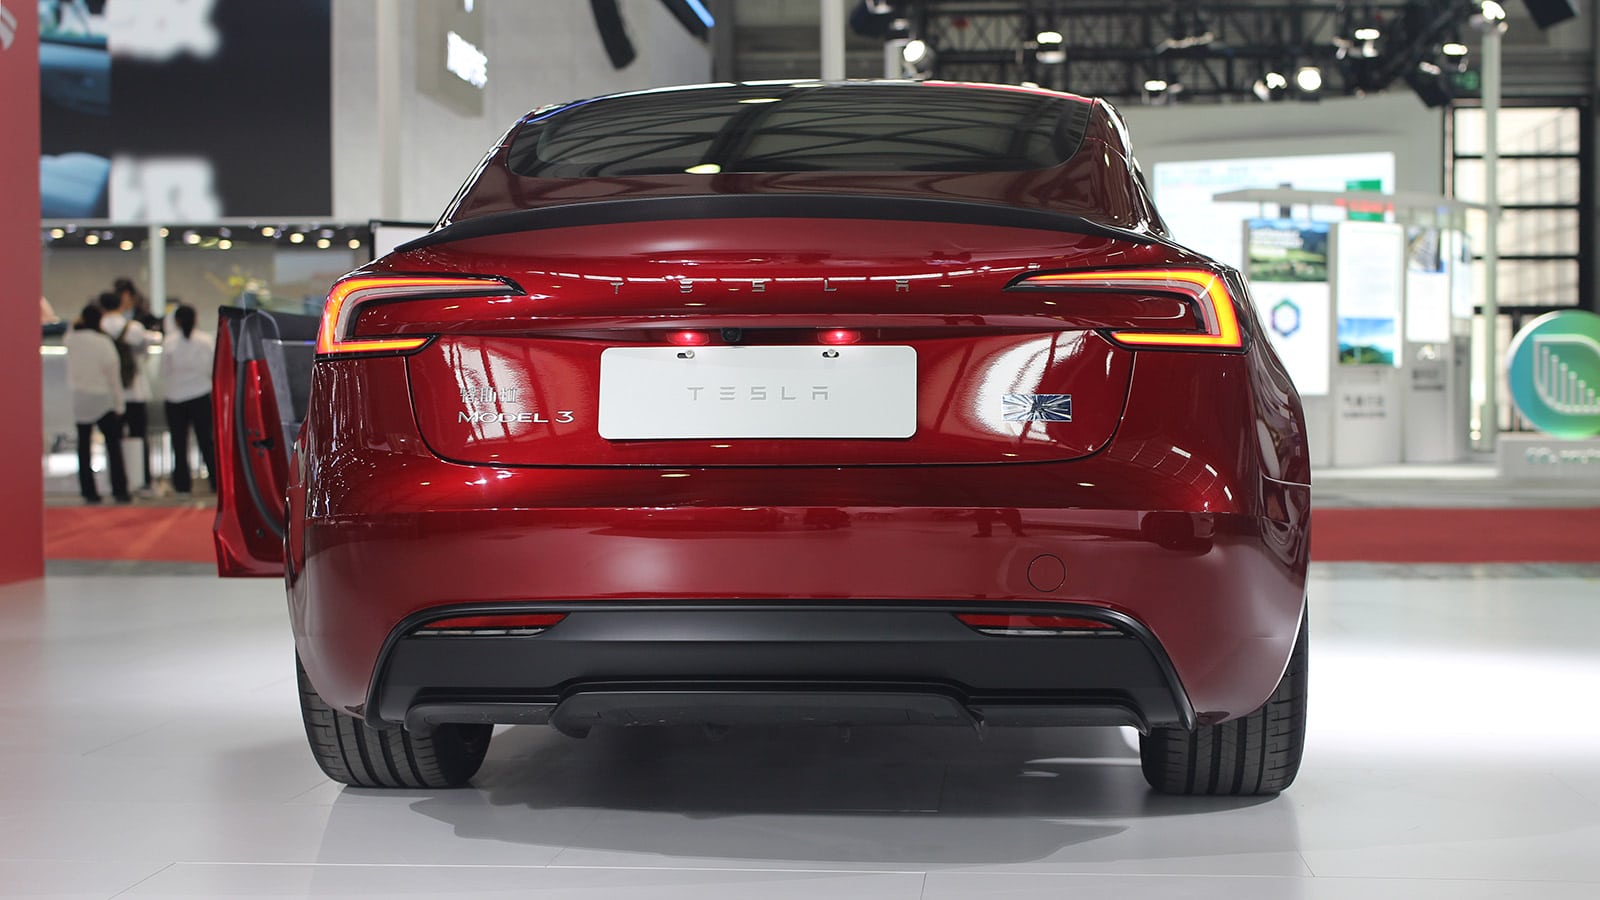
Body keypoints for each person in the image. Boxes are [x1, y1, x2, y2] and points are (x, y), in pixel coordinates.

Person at [64, 304, 130, 504]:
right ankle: (120, 490)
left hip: (80, 398)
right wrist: (120, 404)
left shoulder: (70, 340)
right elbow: (113, 377)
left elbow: (69, 331)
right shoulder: (104, 342)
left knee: (83, 449)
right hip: (103, 399)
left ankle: (89, 491)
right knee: (113, 448)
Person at [98, 289, 159, 492]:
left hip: (109, 393)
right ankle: (143, 481)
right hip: (135, 388)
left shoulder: (99, 327)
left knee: (113, 442)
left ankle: (118, 484)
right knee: (139, 436)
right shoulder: (133, 327)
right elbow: (146, 349)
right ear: (121, 305)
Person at [160, 303, 218, 494]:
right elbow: (212, 368)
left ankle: (182, 484)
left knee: (179, 443)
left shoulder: (169, 342)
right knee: (206, 442)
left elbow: (163, 371)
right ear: (196, 318)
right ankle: (215, 482)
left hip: (175, 396)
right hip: (200, 394)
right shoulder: (205, 340)